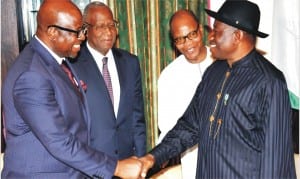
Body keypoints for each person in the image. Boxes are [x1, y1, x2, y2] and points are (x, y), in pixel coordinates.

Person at [140, 1, 297, 178]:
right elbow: (189, 126)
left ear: (237, 36)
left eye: (217, 31)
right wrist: (151, 158)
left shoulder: (269, 82)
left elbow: (276, 158)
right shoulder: (213, 72)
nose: (211, 37)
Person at [1, 1, 143, 178]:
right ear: (52, 32)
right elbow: (59, 141)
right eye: (77, 32)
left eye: (82, 30)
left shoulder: (58, 61)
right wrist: (116, 167)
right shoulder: (32, 75)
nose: (82, 37)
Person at [70, 1, 146, 160]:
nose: (109, 32)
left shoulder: (130, 62)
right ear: (86, 29)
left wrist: (140, 158)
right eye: (100, 26)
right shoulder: (73, 65)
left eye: (112, 25)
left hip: (127, 162)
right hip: (91, 163)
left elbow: (137, 117)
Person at [157, 9, 213, 179]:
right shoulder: (169, 76)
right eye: (179, 39)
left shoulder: (224, 61)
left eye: (192, 35)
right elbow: (167, 129)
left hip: (231, 157)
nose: (187, 44)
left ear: (201, 31)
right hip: (194, 161)